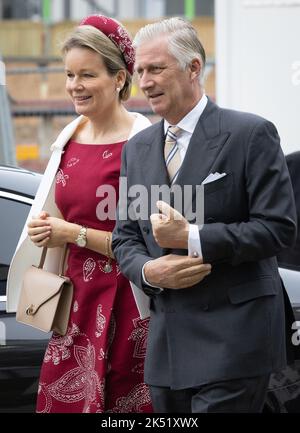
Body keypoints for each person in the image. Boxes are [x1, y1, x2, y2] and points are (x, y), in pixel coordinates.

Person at [112, 17, 297, 413]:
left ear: (194, 68)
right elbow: (124, 236)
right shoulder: (137, 148)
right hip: (167, 346)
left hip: (236, 338)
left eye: (156, 68)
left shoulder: (251, 133)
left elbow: (279, 228)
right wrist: (147, 272)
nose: (144, 82)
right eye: (139, 70)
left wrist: (193, 238)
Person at [7, 14, 153, 413]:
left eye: (86, 75)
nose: (74, 86)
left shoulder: (144, 145)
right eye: (70, 75)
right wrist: (43, 229)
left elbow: (149, 243)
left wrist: (70, 233)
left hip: (130, 307)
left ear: (120, 78)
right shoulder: (67, 140)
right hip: (72, 306)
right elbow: (55, 217)